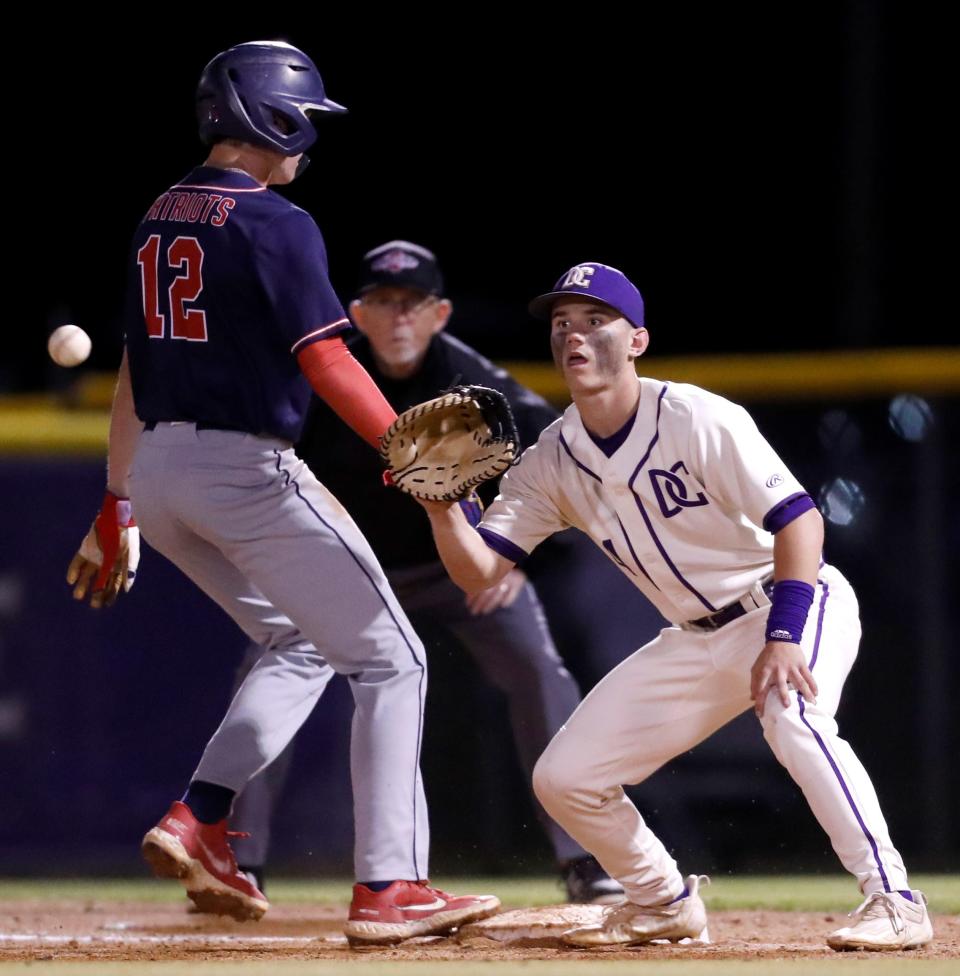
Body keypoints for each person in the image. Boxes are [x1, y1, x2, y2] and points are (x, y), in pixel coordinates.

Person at [65, 40, 498, 946]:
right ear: (273, 115)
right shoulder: (278, 221)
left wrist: (118, 503)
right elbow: (328, 356)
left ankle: (203, 821)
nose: (314, 136)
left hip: (162, 475)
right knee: (394, 661)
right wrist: (405, 449)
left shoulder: (158, 216)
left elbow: (135, 379)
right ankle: (391, 886)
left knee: (297, 643)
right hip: (245, 471)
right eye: (308, 116)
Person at [417, 261, 934, 952]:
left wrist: (784, 634)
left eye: (596, 321)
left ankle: (894, 898)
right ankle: (663, 900)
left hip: (790, 601)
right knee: (565, 778)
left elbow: (801, 520)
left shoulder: (694, 416)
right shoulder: (553, 459)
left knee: (793, 715)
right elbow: (481, 571)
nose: (574, 335)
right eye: (563, 324)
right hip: (693, 638)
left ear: (637, 341)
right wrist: (442, 506)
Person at [222, 240, 625, 905]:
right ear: (357, 312)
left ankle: (586, 857)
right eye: (382, 303)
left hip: (454, 573)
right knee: (272, 671)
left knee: (537, 669)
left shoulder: (476, 383)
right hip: (345, 574)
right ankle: (236, 861)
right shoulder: (323, 380)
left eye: (411, 304)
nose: (398, 318)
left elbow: (568, 468)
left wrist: (517, 555)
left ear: (439, 313)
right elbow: (261, 465)